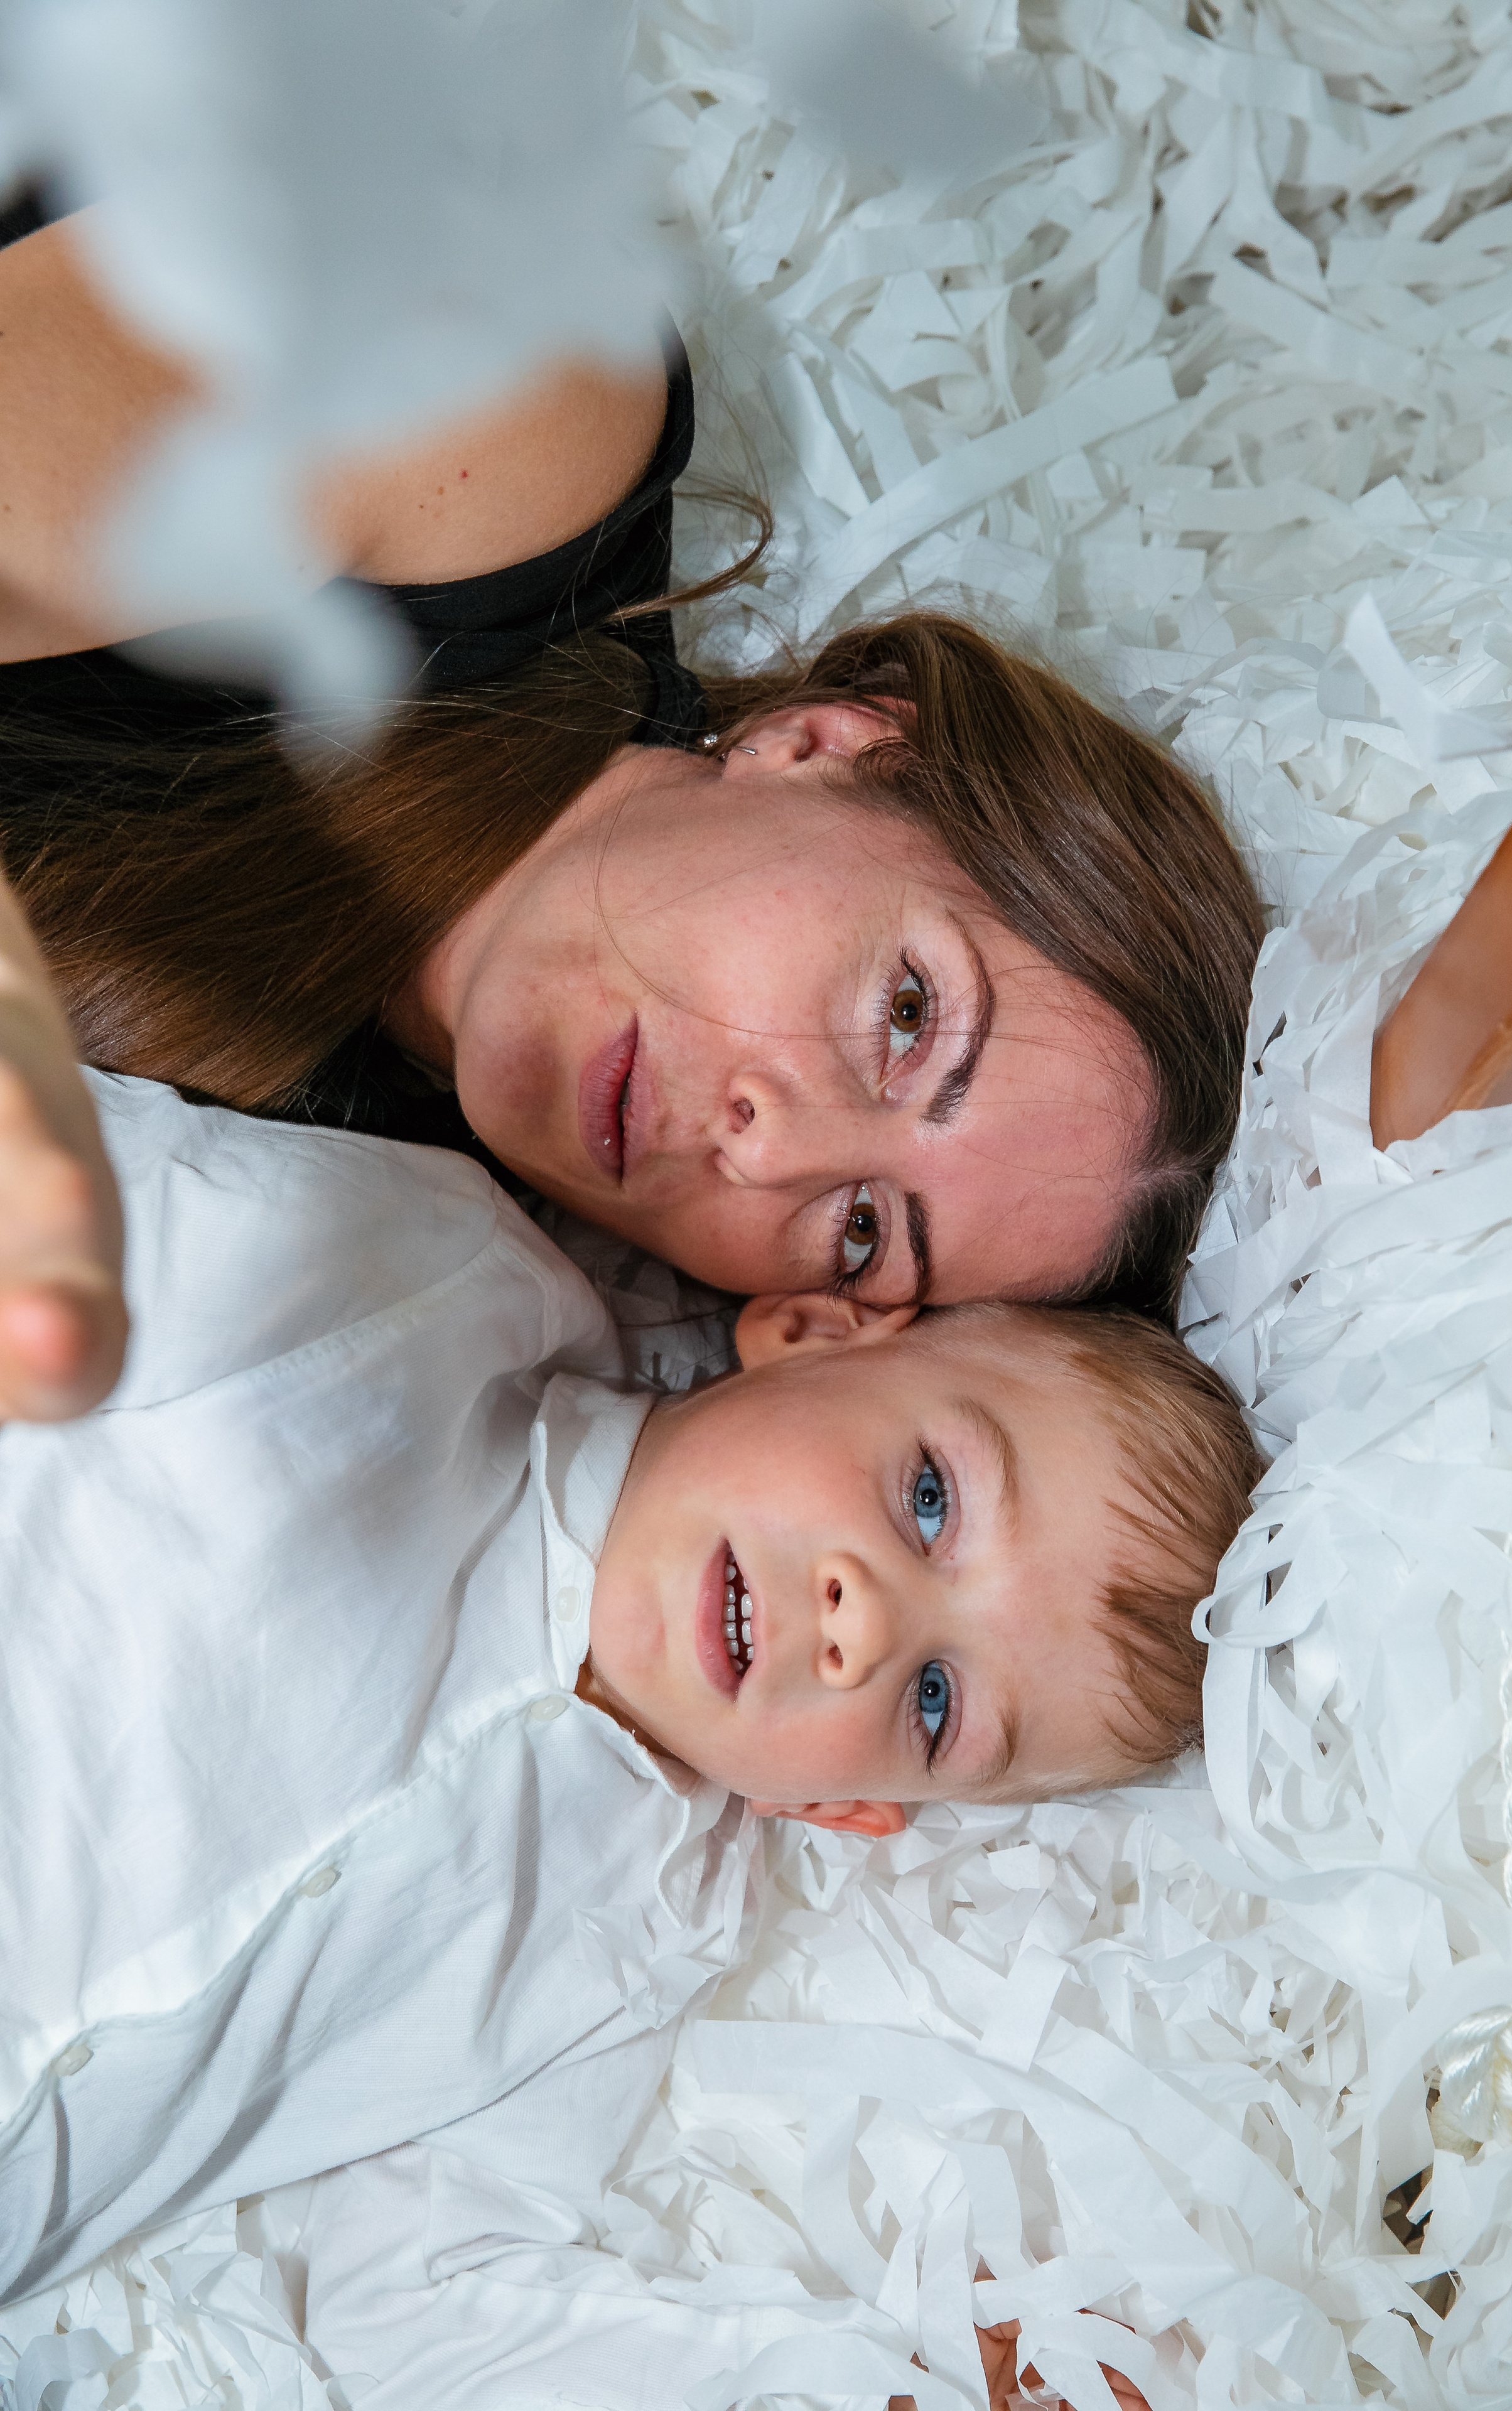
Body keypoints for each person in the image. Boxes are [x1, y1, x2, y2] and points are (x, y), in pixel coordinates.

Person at [0, 1065, 1261, 2390]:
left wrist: (902, 2374)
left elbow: (415, 2298)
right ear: (813, 1332)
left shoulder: (632, 1939)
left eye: (933, 1704)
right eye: (930, 1498)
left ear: (839, 1810)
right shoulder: (432, 1292)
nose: (863, 1626)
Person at [0, 204, 1264, 1426]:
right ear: (826, 744)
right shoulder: (526, 413)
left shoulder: (359, 1263)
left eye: (862, 1233)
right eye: (905, 1016)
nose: (766, 1157)